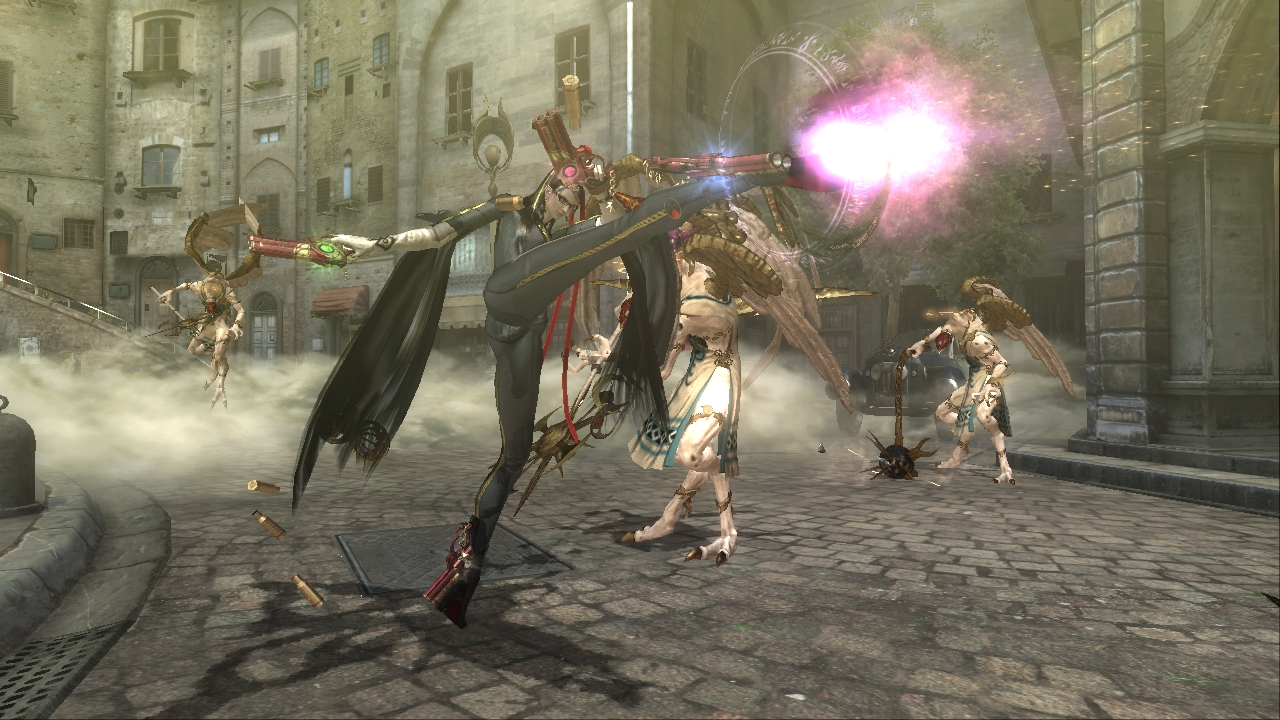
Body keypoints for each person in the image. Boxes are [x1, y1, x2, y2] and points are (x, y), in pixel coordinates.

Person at [292, 156, 804, 627]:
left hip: (518, 341)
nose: (566, 205)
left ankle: (468, 564)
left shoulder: (566, 235)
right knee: (626, 228)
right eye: (564, 194)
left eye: (573, 200)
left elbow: (608, 232)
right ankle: (758, 173)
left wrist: (617, 218)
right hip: (506, 293)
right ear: (552, 181)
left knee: (514, 455)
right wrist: (371, 246)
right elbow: (436, 234)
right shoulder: (510, 209)